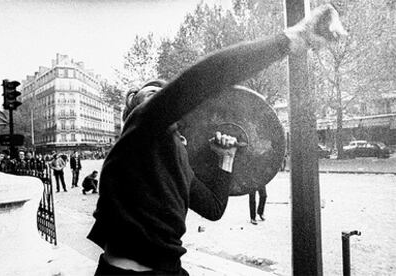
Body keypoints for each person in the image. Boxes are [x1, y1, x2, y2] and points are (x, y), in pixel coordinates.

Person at [88, 4, 347, 275]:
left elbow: (213, 207)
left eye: (161, 92)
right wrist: (289, 39)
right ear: (133, 112)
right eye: (150, 93)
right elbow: (200, 80)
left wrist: (226, 157)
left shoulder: (177, 158)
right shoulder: (138, 132)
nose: (158, 95)